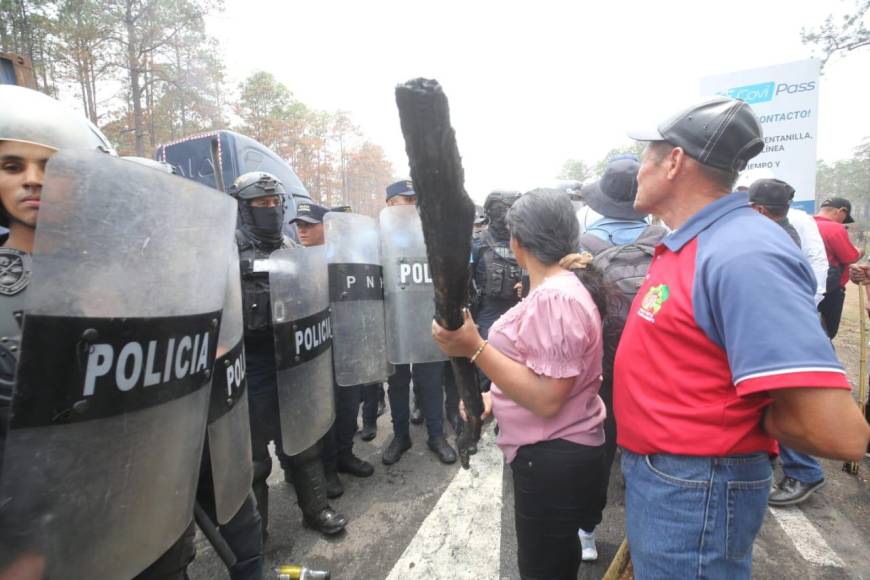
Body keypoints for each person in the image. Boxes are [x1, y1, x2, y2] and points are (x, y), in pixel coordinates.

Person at [616, 96, 870, 578]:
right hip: (676, 481)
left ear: (673, 161)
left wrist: (724, 424)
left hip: (695, 488)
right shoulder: (700, 240)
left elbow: (836, 431)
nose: (637, 171)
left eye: (645, 156)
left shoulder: (742, 252)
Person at [433, 189, 610, 580]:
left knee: (542, 568)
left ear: (516, 242)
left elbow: (547, 399)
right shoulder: (558, 288)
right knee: (552, 560)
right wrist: (495, 397)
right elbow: (540, 372)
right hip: (555, 451)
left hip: (551, 454)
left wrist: (474, 347)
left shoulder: (555, 298)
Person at [232, 173, 346, 538]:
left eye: (273, 203)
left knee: (303, 440)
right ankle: (255, 532)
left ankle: (316, 510)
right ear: (244, 208)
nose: (269, 210)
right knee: (253, 459)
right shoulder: (226, 250)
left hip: (292, 359)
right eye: (259, 205)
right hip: (250, 365)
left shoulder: (290, 247)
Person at [576, 156, 667, 562]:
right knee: (650, 446)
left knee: (600, 443)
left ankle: (587, 532)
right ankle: (648, 531)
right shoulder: (665, 241)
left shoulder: (582, 244)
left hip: (602, 365)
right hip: (653, 364)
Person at [748, 178, 832, 507]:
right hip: (783, 326)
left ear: (757, 209)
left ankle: (805, 471)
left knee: (782, 401)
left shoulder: (772, 238)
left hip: (778, 330)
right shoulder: (781, 232)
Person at [291, 201, 375, 499]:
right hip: (317, 348)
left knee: (348, 403)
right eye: (298, 226)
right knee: (324, 410)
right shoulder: (295, 261)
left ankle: (344, 454)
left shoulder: (346, 257)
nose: (301, 231)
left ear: (326, 226)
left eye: (307, 225)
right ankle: (327, 468)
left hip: (347, 343)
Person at [381, 180, 457, 465]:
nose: (413, 206)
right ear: (390, 204)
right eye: (406, 200)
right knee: (397, 384)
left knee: (431, 381)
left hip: (426, 321)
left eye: (416, 200)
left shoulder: (430, 236)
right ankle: (401, 436)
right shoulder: (378, 237)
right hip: (395, 324)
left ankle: (436, 436)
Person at [815, 197, 862, 338]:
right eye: (844, 218)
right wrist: (860, 251)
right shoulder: (835, 228)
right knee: (827, 332)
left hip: (806, 285)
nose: (843, 222)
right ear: (841, 211)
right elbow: (850, 257)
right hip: (830, 289)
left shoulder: (806, 224)